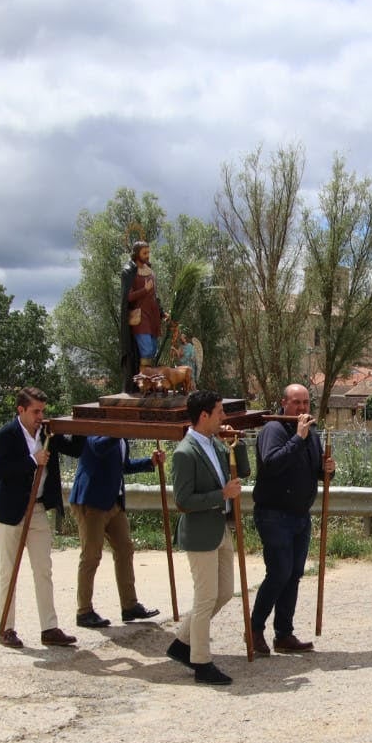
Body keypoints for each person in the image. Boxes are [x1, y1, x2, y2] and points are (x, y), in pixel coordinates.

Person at [167, 390, 252, 686]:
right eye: (219, 412)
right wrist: (221, 495)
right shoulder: (184, 453)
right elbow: (182, 500)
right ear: (204, 415)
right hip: (200, 534)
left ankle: (181, 644)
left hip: (219, 530)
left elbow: (243, 471)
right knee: (205, 599)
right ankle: (201, 662)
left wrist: (235, 442)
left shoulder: (215, 444)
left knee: (225, 592)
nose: (223, 417)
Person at [0, 387, 82, 650]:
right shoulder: (6, 435)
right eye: (35, 411)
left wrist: (75, 426)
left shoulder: (47, 432)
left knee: (43, 569)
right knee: (9, 571)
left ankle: (49, 628)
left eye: (43, 410)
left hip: (38, 510)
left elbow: (76, 449)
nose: (40, 416)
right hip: (11, 513)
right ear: (21, 411)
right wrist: (33, 460)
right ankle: (6, 629)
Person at [250, 383, 333, 656]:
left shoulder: (312, 433)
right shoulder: (273, 429)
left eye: (306, 403)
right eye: (297, 403)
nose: (302, 408)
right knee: (279, 573)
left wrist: (327, 470)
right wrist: (298, 437)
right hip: (274, 514)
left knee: (294, 575)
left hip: (300, 516)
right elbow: (272, 464)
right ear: (284, 403)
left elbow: (314, 470)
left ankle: (283, 634)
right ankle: (254, 629)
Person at [69, 436, 163, 629]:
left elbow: (123, 465)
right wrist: (119, 431)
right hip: (91, 501)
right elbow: (98, 447)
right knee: (91, 556)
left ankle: (129, 606)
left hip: (114, 501)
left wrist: (149, 462)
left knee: (125, 549)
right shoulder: (95, 428)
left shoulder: (121, 436)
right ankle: (84, 612)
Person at [120, 241, 163, 393]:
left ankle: (151, 383)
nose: (147, 256)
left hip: (152, 316)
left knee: (152, 350)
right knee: (146, 350)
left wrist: (162, 312)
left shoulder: (150, 271)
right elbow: (128, 297)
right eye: (144, 253)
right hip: (139, 317)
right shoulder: (129, 271)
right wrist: (144, 290)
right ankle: (143, 385)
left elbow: (155, 296)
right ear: (137, 253)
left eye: (148, 253)